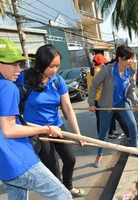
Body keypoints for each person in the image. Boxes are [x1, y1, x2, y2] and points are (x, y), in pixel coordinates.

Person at [0, 38, 72, 200]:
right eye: (14, 64)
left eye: (19, 64)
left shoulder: (57, 81)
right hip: (19, 159)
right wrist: (46, 129)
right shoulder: (7, 87)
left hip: (4, 165)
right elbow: (9, 129)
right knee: (62, 196)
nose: (19, 69)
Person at [14, 44, 87, 197]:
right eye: (51, 66)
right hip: (38, 130)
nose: (55, 70)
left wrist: (78, 133)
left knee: (70, 159)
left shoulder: (57, 81)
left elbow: (67, 107)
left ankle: (68, 188)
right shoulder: (24, 78)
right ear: (41, 63)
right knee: (53, 167)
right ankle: (59, 195)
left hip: (57, 126)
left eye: (57, 66)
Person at [88, 45, 138, 168]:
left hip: (121, 102)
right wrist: (91, 103)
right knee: (104, 131)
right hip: (106, 105)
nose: (131, 61)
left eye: (132, 58)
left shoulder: (130, 71)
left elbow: (131, 90)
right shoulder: (107, 70)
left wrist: (137, 102)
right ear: (120, 58)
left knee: (132, 123)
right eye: (128, 58)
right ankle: (99, 154)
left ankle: (134, 148)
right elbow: (94, 85)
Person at [87, 54, 129, 139]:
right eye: (103, 62)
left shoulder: (89, 72)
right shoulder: (100, 72)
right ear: (101, 63)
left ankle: (105, 136)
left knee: (101, 119)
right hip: (104, 99)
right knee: (119, 116)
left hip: (96, 100)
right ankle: (130, 135)